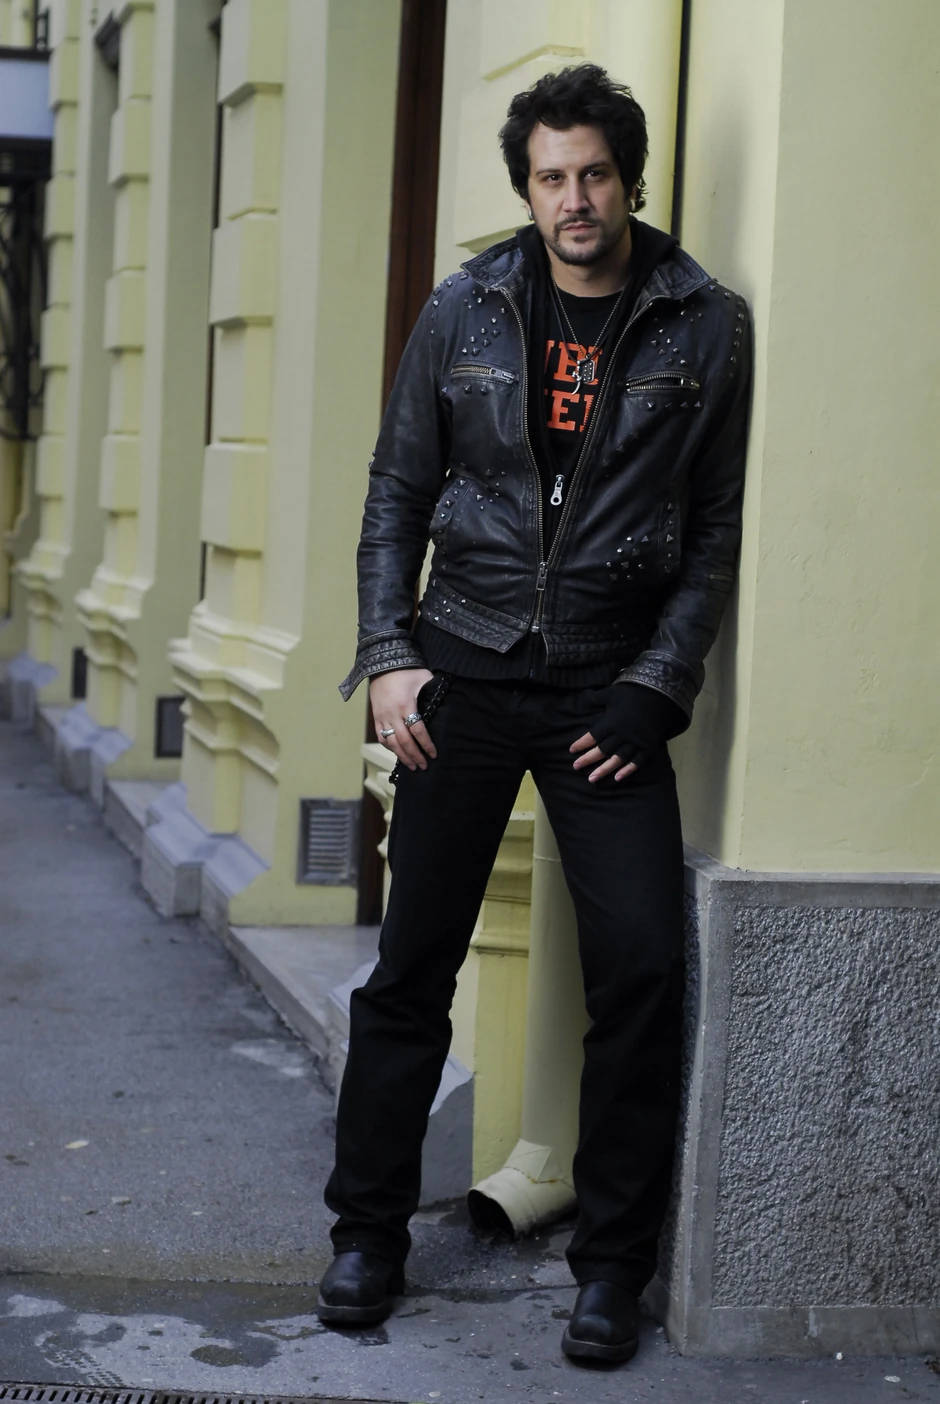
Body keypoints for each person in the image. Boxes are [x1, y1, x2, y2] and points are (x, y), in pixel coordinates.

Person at [318, 63, 751, 1366]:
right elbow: (398, 489)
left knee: (644, 970)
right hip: (462, 672)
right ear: (527, 188)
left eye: (595, 174)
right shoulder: (466, 307)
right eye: (553, 177)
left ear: (629, 180)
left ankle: (611, 1269)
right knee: (412, 966)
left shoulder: (703, 323)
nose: (576, 200)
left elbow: (715, 531)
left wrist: (658, 685)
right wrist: (390, 656)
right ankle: (366, 1235)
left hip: (608, 692)